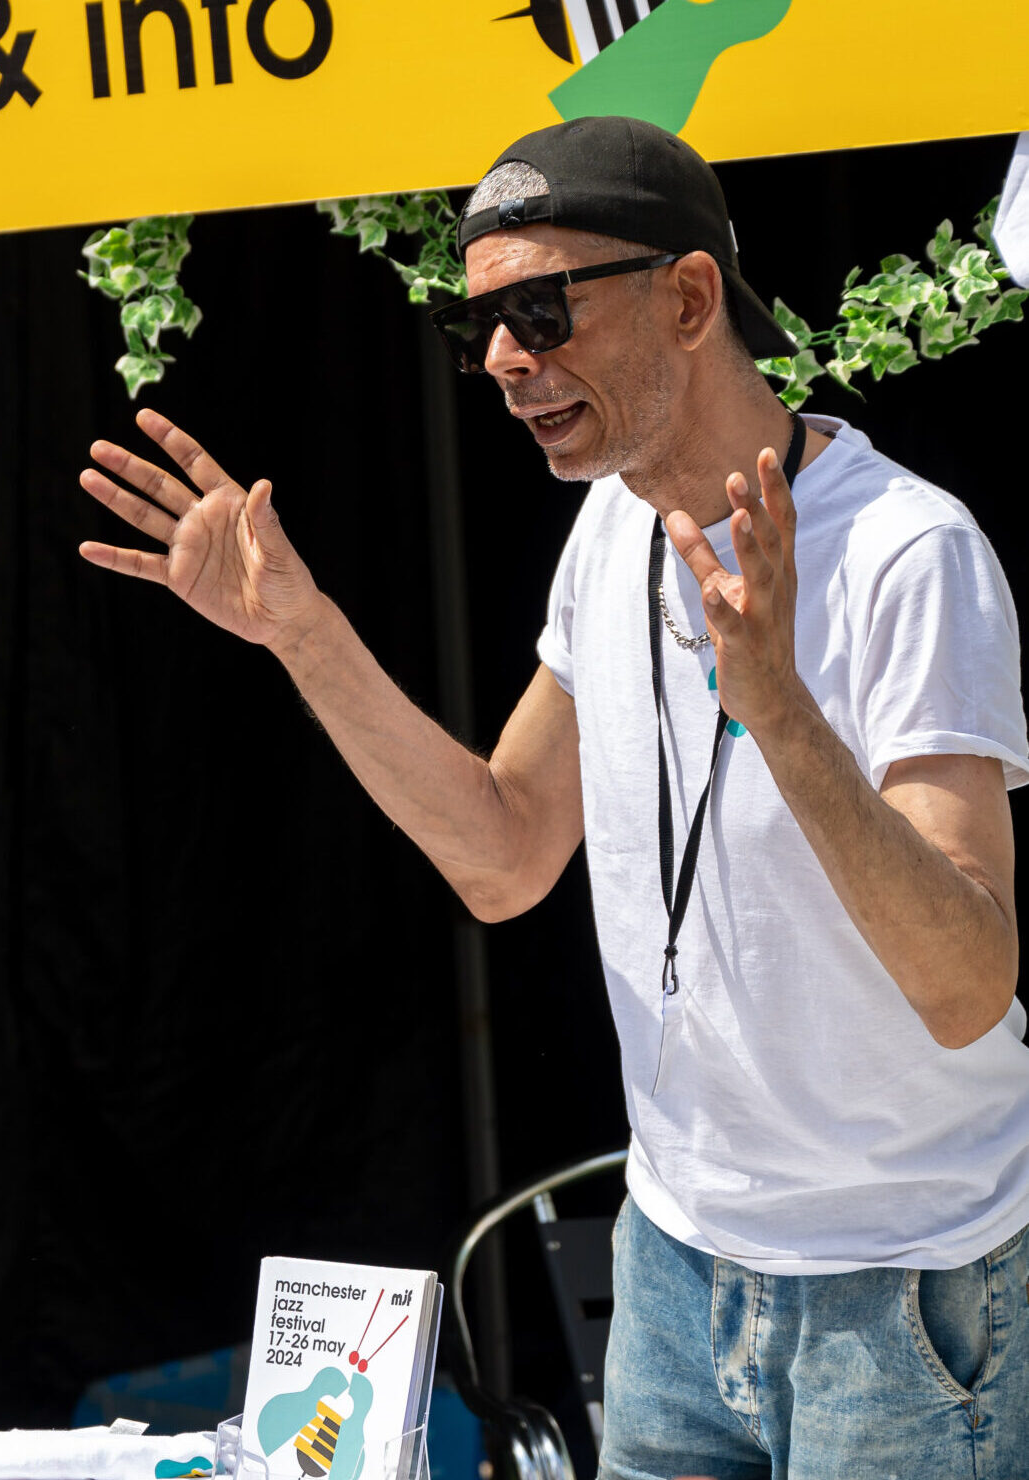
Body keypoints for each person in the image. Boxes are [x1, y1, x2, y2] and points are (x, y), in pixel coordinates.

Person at [78, 117, 1029, 1478]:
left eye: (539, 310)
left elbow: (965, 985)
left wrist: (779, 716)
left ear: (689, 298)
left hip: (901, 1288)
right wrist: (301, 632)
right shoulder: (611, 530)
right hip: (674, 1261)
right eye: (480, 327)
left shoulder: (905, 551)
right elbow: (503, 854)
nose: (504, 361)